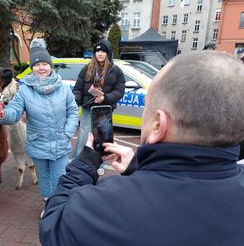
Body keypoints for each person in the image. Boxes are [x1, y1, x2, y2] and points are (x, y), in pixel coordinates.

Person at [39, 50, 244, 246]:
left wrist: (84, 164)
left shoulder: (104, 207)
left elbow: (53, 224)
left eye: (147, 107)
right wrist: (138, 167)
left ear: (158, 125)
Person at [0, 38, 79, 201]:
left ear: (50, 66)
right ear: (32, 68)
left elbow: (73, 112)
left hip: (60, 142)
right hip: (38, 143)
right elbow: (14, 110)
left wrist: (67, 133)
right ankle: (48, 205)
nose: (41, 68)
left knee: (59, 179)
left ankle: (58, 207)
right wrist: (3, 115)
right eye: (37, 65)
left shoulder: (64, 89)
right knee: (44, 180)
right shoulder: (25, 91)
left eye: (44, 64)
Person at [72, 39, 125, 163]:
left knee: (101, 139)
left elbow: (119, 91)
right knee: (84, 137)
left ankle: (98, 164)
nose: (100, 53)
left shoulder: (115, 70)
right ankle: (77, 162)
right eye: (97, 51)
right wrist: (75, 102)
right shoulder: (87, 69)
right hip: (87, 108)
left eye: (103, 51)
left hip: (104, 111)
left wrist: (105, 98)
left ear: (108, 53)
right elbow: (78, 89)